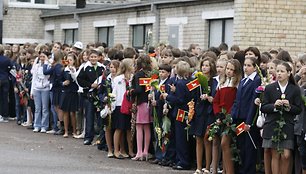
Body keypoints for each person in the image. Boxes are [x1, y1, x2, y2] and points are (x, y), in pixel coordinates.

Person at [261, 62, 302, 174]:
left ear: (289, 73)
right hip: (272, 124)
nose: (279, 74)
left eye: (282, 71)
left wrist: (289, 106)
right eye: (277, 71)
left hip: (287, 125)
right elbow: (263, 107)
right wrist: (274, 105)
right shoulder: (270, 88)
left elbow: (298, 109)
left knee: (286, 155)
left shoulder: (294, 89)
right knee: (275, 154)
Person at [231, 57, 261, 174]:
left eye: (249, 66)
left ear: (254, 67)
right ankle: (242, 169)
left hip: (247, 119)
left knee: (249, 147)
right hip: (239, 117)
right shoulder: (243, 81)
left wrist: (249, 122)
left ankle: (249, 170)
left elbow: (253, 102)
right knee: (241, 145)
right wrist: (233, 115)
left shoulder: (256, 80)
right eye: (245, 65)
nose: (246, 68)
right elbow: (237, 100)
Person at [161, 61, 193, 170]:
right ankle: (178, 159)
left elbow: (179, 100)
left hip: (180, 112)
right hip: (186, 112)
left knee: (180, 139)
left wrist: (168, 96)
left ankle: (182, 161)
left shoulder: (179, 83)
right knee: (181, 137)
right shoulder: (189, 82)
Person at [213, 59, 241, 174]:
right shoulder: (222, 83)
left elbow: (236, 102)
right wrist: (218, 114)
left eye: (232, 70)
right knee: (223, 144)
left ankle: (229, 171)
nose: (229, 71)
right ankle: (225, 170)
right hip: (221, 117)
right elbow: (216, 101)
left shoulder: (237, 84)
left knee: (225, 143)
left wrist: (228, 116)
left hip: (231, 118)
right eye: (227, 69)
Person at [190, 57, 217, 174]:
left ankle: (207, 166)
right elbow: (192, 96)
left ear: (211, 67)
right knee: (198, 139)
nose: (204, 67)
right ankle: (198, 167)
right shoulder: (197, 81)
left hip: (209, 112)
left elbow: (215, 97)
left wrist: (210, 98)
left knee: (207, 139)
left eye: (207, 65)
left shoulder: (214, 81)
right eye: (203, 65)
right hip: (199, 111)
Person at [77, 49, 105, 145]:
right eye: (91, 57)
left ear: (99, 58)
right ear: (88, 57)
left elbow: (105, 79)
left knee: (100, 117)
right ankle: (88, 137)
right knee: (89, 116)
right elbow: (79, 79)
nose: (93, 59)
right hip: (89, 95)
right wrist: (90, 85)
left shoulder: (102, 68)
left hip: (99, 95)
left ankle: (100, 138)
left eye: (95, 57)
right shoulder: (85, 68)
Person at [130, 55, 152, 161]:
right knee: (147, 127)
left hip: (140, 102)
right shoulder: (151, 75)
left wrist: (131, 91)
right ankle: (146, 151)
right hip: (149, 102)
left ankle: (139, 152)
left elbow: (138, 90)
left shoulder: (138, 74)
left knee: (139, 127)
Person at [111, 59, 135, 159]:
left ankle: (129, 150)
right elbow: (114, 92)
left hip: (129, 106)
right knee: (119, 128)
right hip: (119, 105)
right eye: (132, 65)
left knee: (129, 129)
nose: (134, 67)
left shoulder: (133, 78)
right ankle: (116, 150)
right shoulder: (118, 79)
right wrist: (112, 105)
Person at [31, 50, 51, 132]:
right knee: (37, 108)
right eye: (41, 56)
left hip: (45, 88)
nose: (42, 58)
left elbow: (48, 75)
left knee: (45, 108)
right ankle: (37, 125)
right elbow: (34, 78)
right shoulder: (36, 66)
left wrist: (47, 62)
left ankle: (44, 126)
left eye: (44, 56)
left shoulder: (49, 65)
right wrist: (32, 91)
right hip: (36, 88)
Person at [60, 53, 79, 138]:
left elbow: (76, 80)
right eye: (67, 60)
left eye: (71, 60)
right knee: (65, 112)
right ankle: (66, 131)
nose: (69, 62)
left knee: (73, 112)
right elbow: (58, 81)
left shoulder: (76, 70)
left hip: (73, 92)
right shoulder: (63, 70)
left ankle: (74, 131)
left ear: (74, 61)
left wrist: (72, 71)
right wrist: (63, 83)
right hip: (65, 92)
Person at [0, 45, 13, 123]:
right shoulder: (7, 59)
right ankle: (5, 115)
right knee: (5, 98)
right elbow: (11, 69)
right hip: (5, 79)